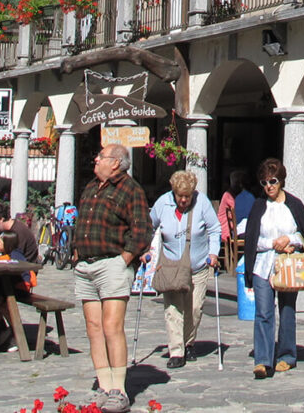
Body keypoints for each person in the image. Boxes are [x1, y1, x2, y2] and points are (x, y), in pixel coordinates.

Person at [72, 144, 151, 413]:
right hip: (86, 265)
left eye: (101, 156)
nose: (96, 158)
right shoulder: (92, 186)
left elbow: (141, 229)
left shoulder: (130, 189)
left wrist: (125, 258)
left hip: (112, 264)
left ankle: (119, 390)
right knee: (93, 327)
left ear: (115, 163)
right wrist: (76, 251)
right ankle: (103, 387)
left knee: (111, 326)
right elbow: (83, 220)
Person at [240, 158, 304, 380]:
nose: (269, 186)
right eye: (264, 183)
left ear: (281, 180)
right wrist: (271, 243)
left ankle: (287, 355)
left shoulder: (294, 204)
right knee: (263, 311)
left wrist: (289, 240)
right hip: (264, 265)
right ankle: (263, 360)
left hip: (288, 265)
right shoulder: (258, 206)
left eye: (272, 181)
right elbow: (252, 238)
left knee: (287, 309)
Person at [143, 170, 220, 369]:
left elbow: (214, 229)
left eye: (187, 196)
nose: (184, 200)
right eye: (180, 196)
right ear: (173, 192)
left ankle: (188, 342)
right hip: (171, 266)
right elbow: (148, 226)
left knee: (194, 308)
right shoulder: (163, 204)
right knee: (173, 309)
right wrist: (145, 250)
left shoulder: (202, 203)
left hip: (198, 264)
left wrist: (213, 253)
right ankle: (176, 351)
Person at [0, 231, 37, 352]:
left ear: (7, 244)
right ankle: (7, 330)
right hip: (11, 286)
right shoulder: (9, 253)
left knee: (0, 304)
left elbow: (21, 270)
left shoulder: (15, 254)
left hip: (21, 287)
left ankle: (15, 333)